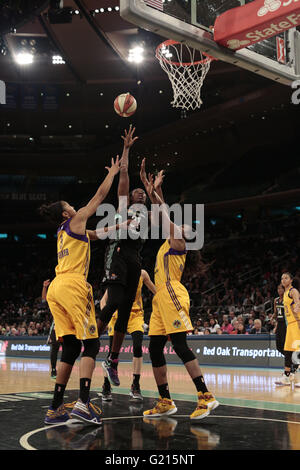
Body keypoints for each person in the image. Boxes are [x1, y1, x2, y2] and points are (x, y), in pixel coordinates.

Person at [39, 155, 121, 425]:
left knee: (71, 347)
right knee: (92, 343)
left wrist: (120, 226)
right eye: (71, 206)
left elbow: (96, 234)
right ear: (66, 213)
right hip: (73, 285)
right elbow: (98, 196)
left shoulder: (66, 231)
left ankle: (55, 408)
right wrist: (113, 173)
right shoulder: (75, 221)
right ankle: (84, 404)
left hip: (56, 289)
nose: (76, 208)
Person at [140, 159, 218, 420]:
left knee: (181, 345)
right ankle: (165, 400)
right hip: (160, 297)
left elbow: (165, 215)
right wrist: (154, 190)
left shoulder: (178, 244)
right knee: (154, 349)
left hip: (173, 292)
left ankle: (205, 396)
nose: (182, 225)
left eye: (186, 227)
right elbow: (163, 214)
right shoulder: (169, 239)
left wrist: (152, 192)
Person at [96, 125, 147, 388]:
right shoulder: (125, 205)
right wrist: (127, 148)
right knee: (113, 300)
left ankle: (112, 360)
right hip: (117, 252)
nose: (142, 193)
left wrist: (153, 187)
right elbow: (124, 174)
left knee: (125, 314)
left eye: (144, 193)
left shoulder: (146, 215)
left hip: (134, 260)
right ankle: (91, 339)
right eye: (139, 191)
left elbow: (155, 199)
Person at [101, 269, 156, 401]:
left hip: (135, 315)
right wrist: (108, 313)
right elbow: (104, 300)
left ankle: (135, 385)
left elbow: (157, 292)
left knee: (137, 346)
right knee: (112, 352)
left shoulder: (142, 274)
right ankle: (106, 385)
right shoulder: (118, 274)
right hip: (117, 316)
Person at [275, 273, 300, 386]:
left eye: (286, 278)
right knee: (288, 351)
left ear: (291, 280)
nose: (283, 280)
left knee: (297, 351)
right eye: (282, 278)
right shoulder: (284, 293)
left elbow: (297, 301)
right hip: (289, 325)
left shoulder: (293, 291)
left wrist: (297, 306)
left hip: (297, 323)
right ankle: (287, 375)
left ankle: (296, 376)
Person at [43, 279, 60, 379]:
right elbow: (44, 298)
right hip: (57, 328)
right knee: (55, 348)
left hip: (67, 327)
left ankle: (63, 370)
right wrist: (45, 287)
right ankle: (53, 370)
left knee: (68, 349)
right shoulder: (54, 300)